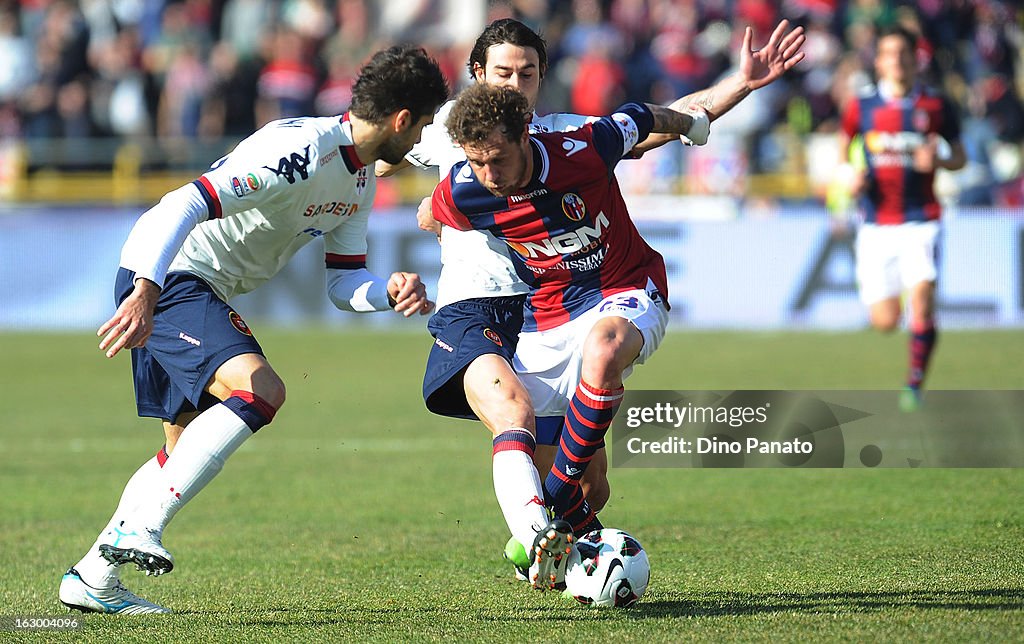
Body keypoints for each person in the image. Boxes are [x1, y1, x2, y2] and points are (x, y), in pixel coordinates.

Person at [380, 17, 804, 583]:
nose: (514, 84)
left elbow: (661, 118)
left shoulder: (573, 137)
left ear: (542, 77)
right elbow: (385, 167)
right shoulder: (451, 139)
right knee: (591, 486)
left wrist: (739, 85)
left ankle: (544, 523)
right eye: (502, 72)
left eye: (526, 73)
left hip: (617, 289)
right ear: (478, 74)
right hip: (530, 314)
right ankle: (575, 551)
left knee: (599, 365)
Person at [58, 45, 449, 614]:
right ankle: (135, 531)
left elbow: (343, 285)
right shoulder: (298, 150)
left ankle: (92, 577)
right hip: (171, 275)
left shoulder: (358, 182)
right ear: (400, 119)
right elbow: (180, 204)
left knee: (179, 448)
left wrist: (385, 293)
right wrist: (146, 288)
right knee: (261, 389)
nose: (418, 144)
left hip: (192, 287)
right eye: (421, 128)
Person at [431, 83, 716, 589]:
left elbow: (642, 116)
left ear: (524, 134)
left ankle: (557, 502)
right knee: (594, 487)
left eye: (497, 159)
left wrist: (692, 126)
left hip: (622, 287)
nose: (489, 176)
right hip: (544, 318)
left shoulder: (583, 148)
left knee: (603, 351)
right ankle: (587, 557)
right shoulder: (463, 189)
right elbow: (433, 213)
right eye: (477, 163)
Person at [838, 26, 965, 411]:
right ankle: (909, 331)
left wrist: (940, 159)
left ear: (915, 58)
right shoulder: (861, 108)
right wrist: (851, 178)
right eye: (889, 54)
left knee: (923, 296)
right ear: (878, 61)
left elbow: (960, 157)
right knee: (885, 320)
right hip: (877, 224)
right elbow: (845, 153)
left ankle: (914, 384)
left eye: (903, 53)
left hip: (921, 218)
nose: (897, 60)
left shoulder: (936, 106)